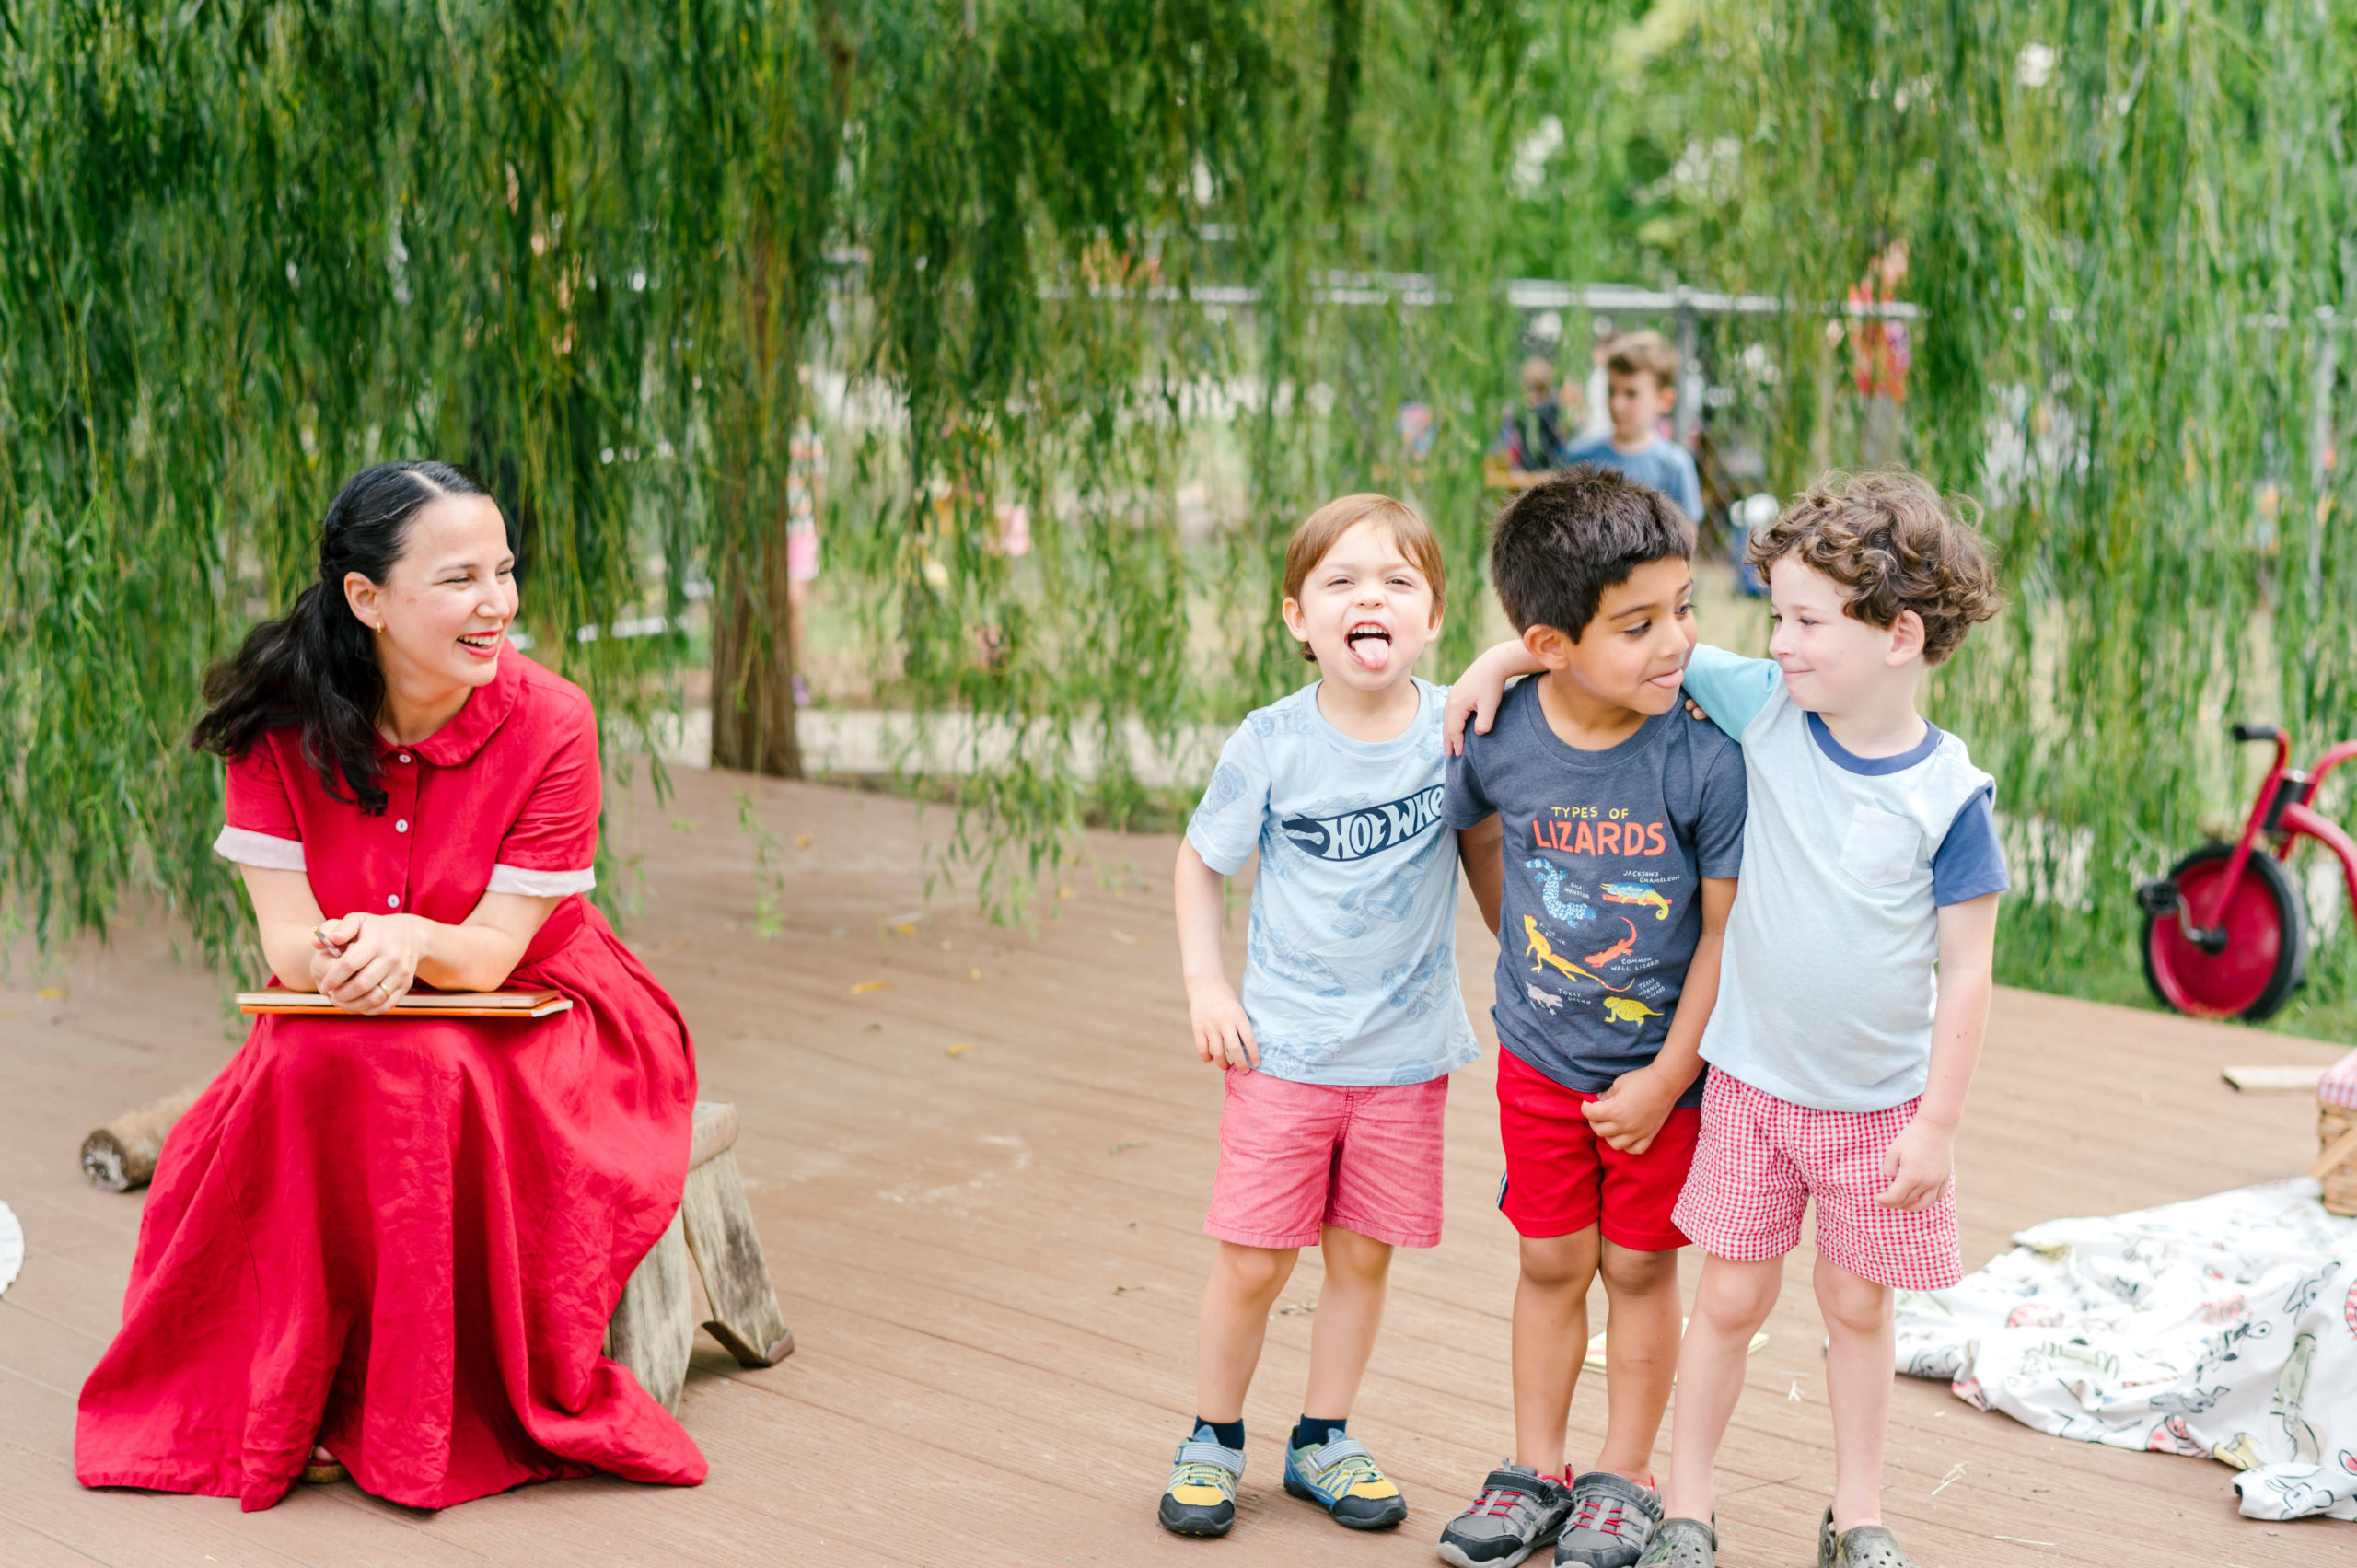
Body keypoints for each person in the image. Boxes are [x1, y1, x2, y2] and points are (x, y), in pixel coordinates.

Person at [77, 461, 706, 1511]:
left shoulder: (553, 720)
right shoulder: (276, 726)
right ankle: (302, 1390)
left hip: (547, 1006)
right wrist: (349, 959)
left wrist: (407, 937)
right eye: (459, 578)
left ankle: (409, 1412)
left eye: (503, 571)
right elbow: (287, 944)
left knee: (423, 1066)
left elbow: (495, 953)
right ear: (366, 598)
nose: (497, 602)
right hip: (344, 999)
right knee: (304, 1057)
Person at [1449, 469, 2007, 1568]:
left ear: (1898, 635)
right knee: (1705, 1289)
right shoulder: (1766, 702)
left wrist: (1936, 1124)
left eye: (1803, 620)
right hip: (1747, 1084)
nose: (1776, 640)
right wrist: (1493, 658)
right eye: (1777, 616)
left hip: (1865, 1104)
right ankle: (1659, 1496)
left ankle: (1850, 1510)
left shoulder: (1940, 794)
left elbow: (1969, 971)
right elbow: (1593, 633)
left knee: (1848, 1302)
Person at [1433, 468, 1745, 1568]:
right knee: (1552, 1263)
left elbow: (1722, 931)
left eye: (1683, 608)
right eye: (1638, 624)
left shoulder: (1703, 755)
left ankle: (1624, 1474)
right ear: (1550, 641)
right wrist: (1516, 937)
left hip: (1659, 1075)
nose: (1676, 642)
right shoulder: (1501, 732)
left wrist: (1666, 1077)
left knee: (1641, 1270)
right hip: (1539, 1061)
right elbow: (1474, 831)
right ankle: (1535, 1467)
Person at [1158, 494, 1484, 1541]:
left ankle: (1323, 1436)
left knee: (1361, 1254)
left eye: (1396, 580)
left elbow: (1549, 669)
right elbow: (1200, 865)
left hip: (1403, 1055)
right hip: (1285, 1049)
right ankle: (1212, 1433)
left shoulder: (1456, 730)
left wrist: (1493, 673)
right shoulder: (1271, 742)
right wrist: (1208, 987)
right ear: (1297, 616)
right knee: (1255, 1254)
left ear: (1433, 614)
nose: (1369, 597)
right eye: (1340, 581)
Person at [1562, 334, 1702, 525]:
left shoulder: (1675, 465)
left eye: (1631, 394)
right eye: (1612, 391)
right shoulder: (1580, 456)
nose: (1617, 404)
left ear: (1665, 400)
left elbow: (1687, 542)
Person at [785, 409, 826, 708]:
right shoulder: (769, 427)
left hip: (800, 530)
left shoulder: (811, 437)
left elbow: (818, 484)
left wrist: (818, 528)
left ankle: (795, 676)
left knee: (794, 607)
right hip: (772, 530)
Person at [1499, 356, 1572, 479]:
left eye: (1539, 390)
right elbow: (1510, 438)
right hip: (1524, 467)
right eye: (1530, 389)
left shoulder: (1553, 409)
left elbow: (1560, 440)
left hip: (1549, 466)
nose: (1534, 397)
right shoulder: (1519, 411)